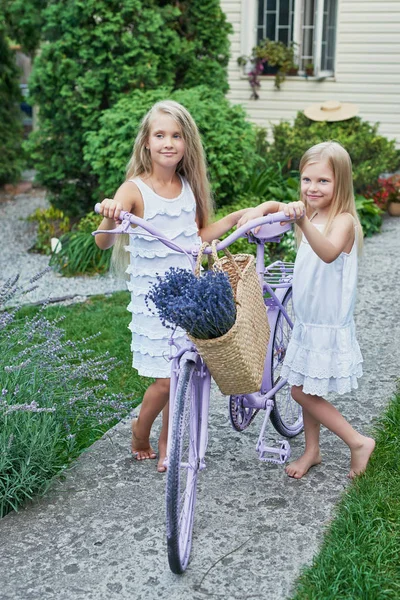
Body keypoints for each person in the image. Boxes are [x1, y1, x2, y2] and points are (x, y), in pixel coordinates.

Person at [95, 100, 248, 472]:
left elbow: (197, 236)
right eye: (160, 135)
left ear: (186, 142)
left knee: (183, 374)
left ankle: (168, 444)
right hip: (152, 301)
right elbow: (103, 241)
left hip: (186, 296)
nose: (168, 142)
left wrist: (238, 217)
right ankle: (140, 430)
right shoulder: (134, 190)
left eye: (176, 135)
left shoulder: (187, 187)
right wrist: (111, 217)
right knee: (164, 382)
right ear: (146, 143)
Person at [237, 141, 375, 479]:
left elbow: (328, 252)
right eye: (306, 180)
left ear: (340, 183)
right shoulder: (311, 212)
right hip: (308, 320)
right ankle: (311, 450)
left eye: (323, 181)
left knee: (299, 391)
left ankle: (357, 442)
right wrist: (263, 209)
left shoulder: (343, 221)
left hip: (326, 323)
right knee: (305, 386)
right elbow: (276, 207)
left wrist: (301, 222)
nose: (312, 188)